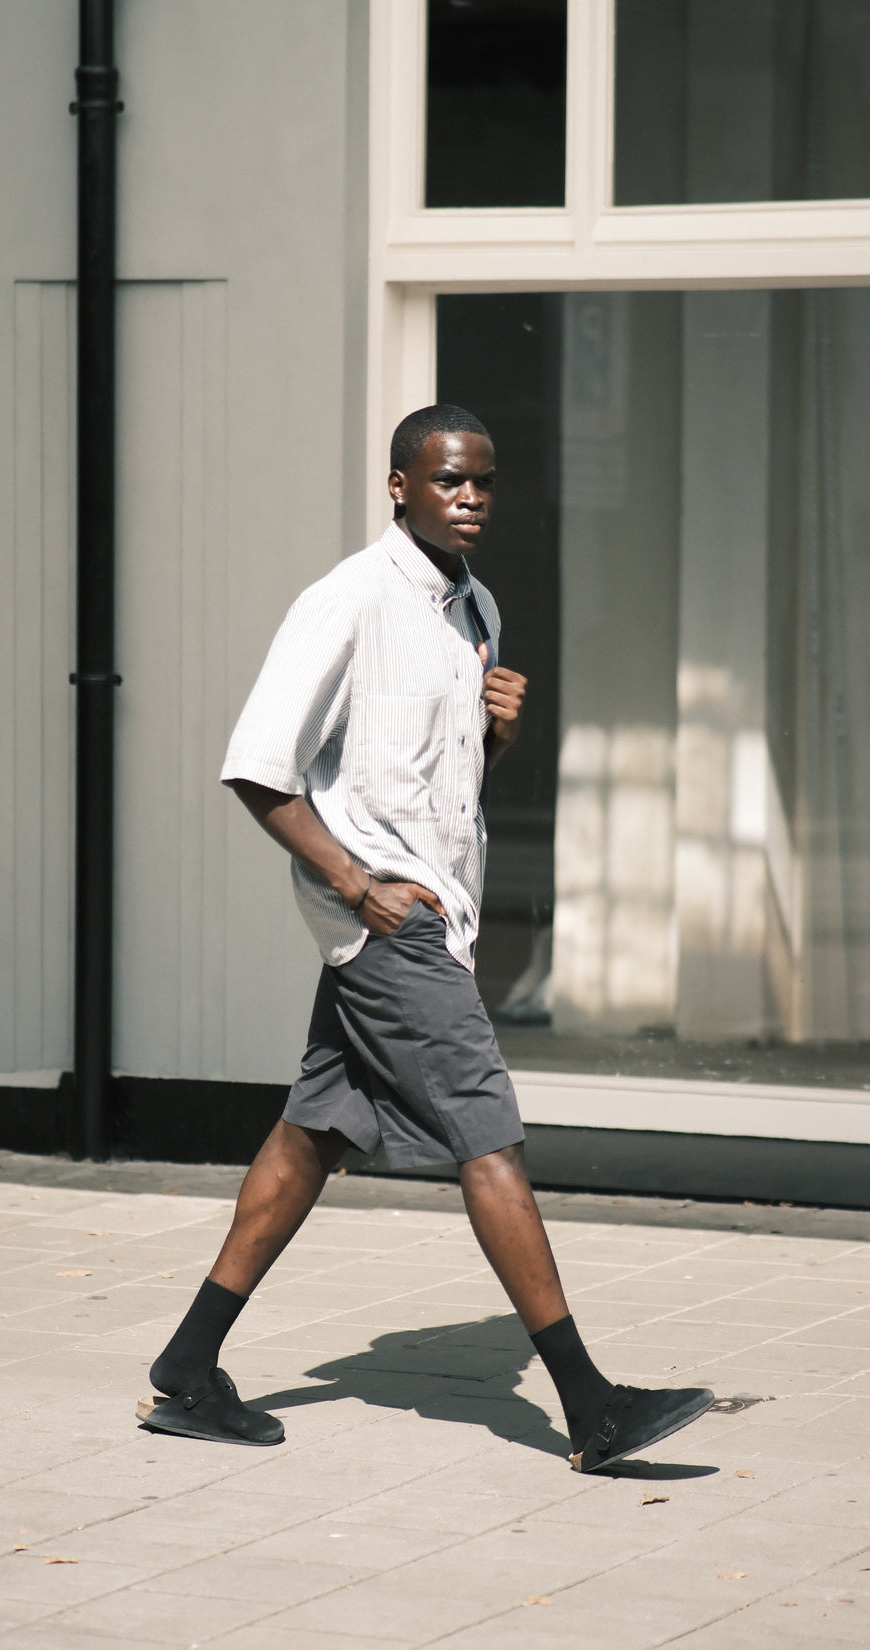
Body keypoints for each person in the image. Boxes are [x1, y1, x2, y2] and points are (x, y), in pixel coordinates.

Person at [141, 404, 713, 1473]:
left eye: (484, 482)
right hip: (387, 923)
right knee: (485, 1135)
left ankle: (186, 1367)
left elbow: (436, 790)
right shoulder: (347, 601)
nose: (470, 496)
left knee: (312, 1134)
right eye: (448, 479)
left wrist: (494, 737)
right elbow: (257, 766)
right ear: (398, 484)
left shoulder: (474, 608)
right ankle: (590, 1407)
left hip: (425, 918)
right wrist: (357, 883)